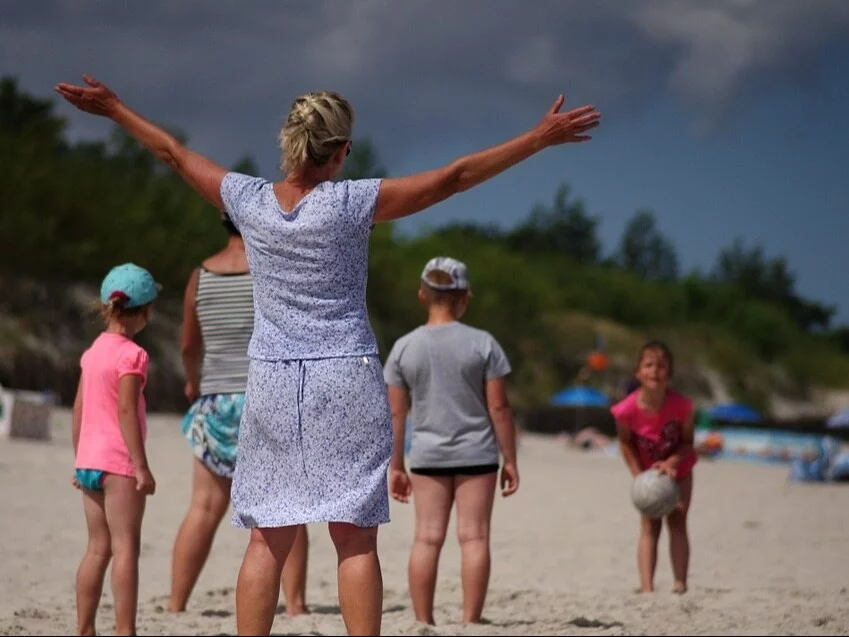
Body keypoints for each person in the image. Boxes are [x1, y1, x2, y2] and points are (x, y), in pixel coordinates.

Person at [54, 74, 600, 636]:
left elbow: (172, 154)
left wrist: (116, 109)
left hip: (269, 379)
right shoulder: (351, 202)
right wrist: (536, 139)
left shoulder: (248, 201)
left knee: (267, 534)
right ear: (340, 151)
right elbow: (453, 178)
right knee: (355, 534)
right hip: (344, 374)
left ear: (289, 143)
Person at [168, 212, 309, 615]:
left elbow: (188, 344)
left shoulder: (200, 275)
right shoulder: (269, 271)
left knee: (203, 508)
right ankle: (296, 605)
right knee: (287, 507)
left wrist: (195, 383)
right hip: (265, 396)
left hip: (215, 401)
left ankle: (176, 604)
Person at [383, 257, 519, 625]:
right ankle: (471, 619)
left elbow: (397, 415)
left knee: (427, 538)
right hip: (477, 453)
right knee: (473, 537)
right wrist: (511, 460)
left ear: (422, 294)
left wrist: (396, 465)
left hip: (428, 454)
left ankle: (423, 620)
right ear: (465, 297)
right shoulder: (483, 343)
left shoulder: (404, 348)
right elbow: (500, 408)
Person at [71, 263, 159, 636]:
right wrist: (141, 466)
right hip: (118, 464)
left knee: (97, 548)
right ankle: (125, 630)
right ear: (142, 312)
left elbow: (79, 408)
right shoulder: (132, 356)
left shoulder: (93, 353)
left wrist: (79, 458)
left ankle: (85, 628)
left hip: (89, 460)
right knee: (125, 549)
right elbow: (126, 410)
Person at [610, 340, 696, 595]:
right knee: (649, 525)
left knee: (678, 520)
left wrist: (671, 463)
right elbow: (626, 443)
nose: (655, 371)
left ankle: (680, 583)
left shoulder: (683, 407)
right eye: (648, 365)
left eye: (661, 366)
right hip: (647, 474)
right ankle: (647, 587)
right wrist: (639, 477)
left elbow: (688, 443)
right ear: (638, 372)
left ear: (669, 373)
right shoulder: (625, 410)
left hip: (679, 470)